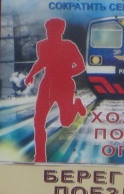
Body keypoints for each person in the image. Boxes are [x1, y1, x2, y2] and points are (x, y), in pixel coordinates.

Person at [25, 18, 87, 163]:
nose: (50, 33)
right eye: (48, 30)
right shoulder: (42, 45)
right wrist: (30, 75)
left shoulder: (69, 46)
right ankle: (40, 156)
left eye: (54, 30)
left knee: (66, 122)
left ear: (61, 31)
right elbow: (41, 62)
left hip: (65, 84)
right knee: (38, 121)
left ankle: (76, 105)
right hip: (47, 84)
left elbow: (80, 65)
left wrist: (67, 73)